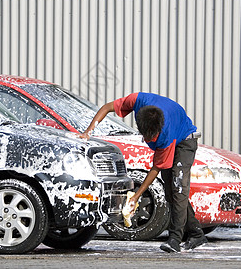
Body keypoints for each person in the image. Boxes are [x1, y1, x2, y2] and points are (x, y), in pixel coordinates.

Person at [79, 92, 208, 253]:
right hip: (173, 132)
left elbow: (156, 168)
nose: (148, 140)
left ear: (158, 130)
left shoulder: (165, 133)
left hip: (185, 141)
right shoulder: (137, 100)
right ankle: (196, 234)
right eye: (145, 136)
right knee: (170, 192)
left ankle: (175, 239)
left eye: (152, 137)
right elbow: (106, 108)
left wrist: (136, 195)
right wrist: (88, 132)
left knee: (178, 188)